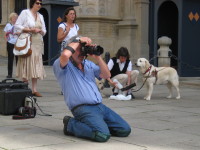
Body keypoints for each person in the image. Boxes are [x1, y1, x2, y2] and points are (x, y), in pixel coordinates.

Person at [53, 36, 131, 142]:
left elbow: (106, 74)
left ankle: (97, 124)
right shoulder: (62, 65)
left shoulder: (88, 64)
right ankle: (70, 125)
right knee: (102, 135)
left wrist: (97, 57)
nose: (82, 53)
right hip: (83, 108)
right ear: (71, 49)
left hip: (100, 106)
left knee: (124, 130)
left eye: (83, 49)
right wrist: (78, 40)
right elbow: (65, 54)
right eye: (79, 49)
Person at [14, 0, 46, 97]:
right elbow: (17, 25)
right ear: (32, 4)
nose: (39, 5)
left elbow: (45, 30)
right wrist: (30, 29)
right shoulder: (25, 13)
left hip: (38, 43)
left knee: (35, 65)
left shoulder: (41, 16)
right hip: (28, 41)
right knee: (26, 63)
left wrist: (41, 31)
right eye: (37, 3)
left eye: (40, 3)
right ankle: (25, 87)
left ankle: (34, 89)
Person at [3, 12, 19, 78]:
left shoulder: (18, 25)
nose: (15, 19)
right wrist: (7, 40)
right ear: (11, 18)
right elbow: (5, 34)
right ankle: (9, 74)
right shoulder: (8, 25)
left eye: (16, 18)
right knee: (10, 59)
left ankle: (19, 73)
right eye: (14, 18)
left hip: (17, 43)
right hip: (10, 43)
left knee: (18, 59)